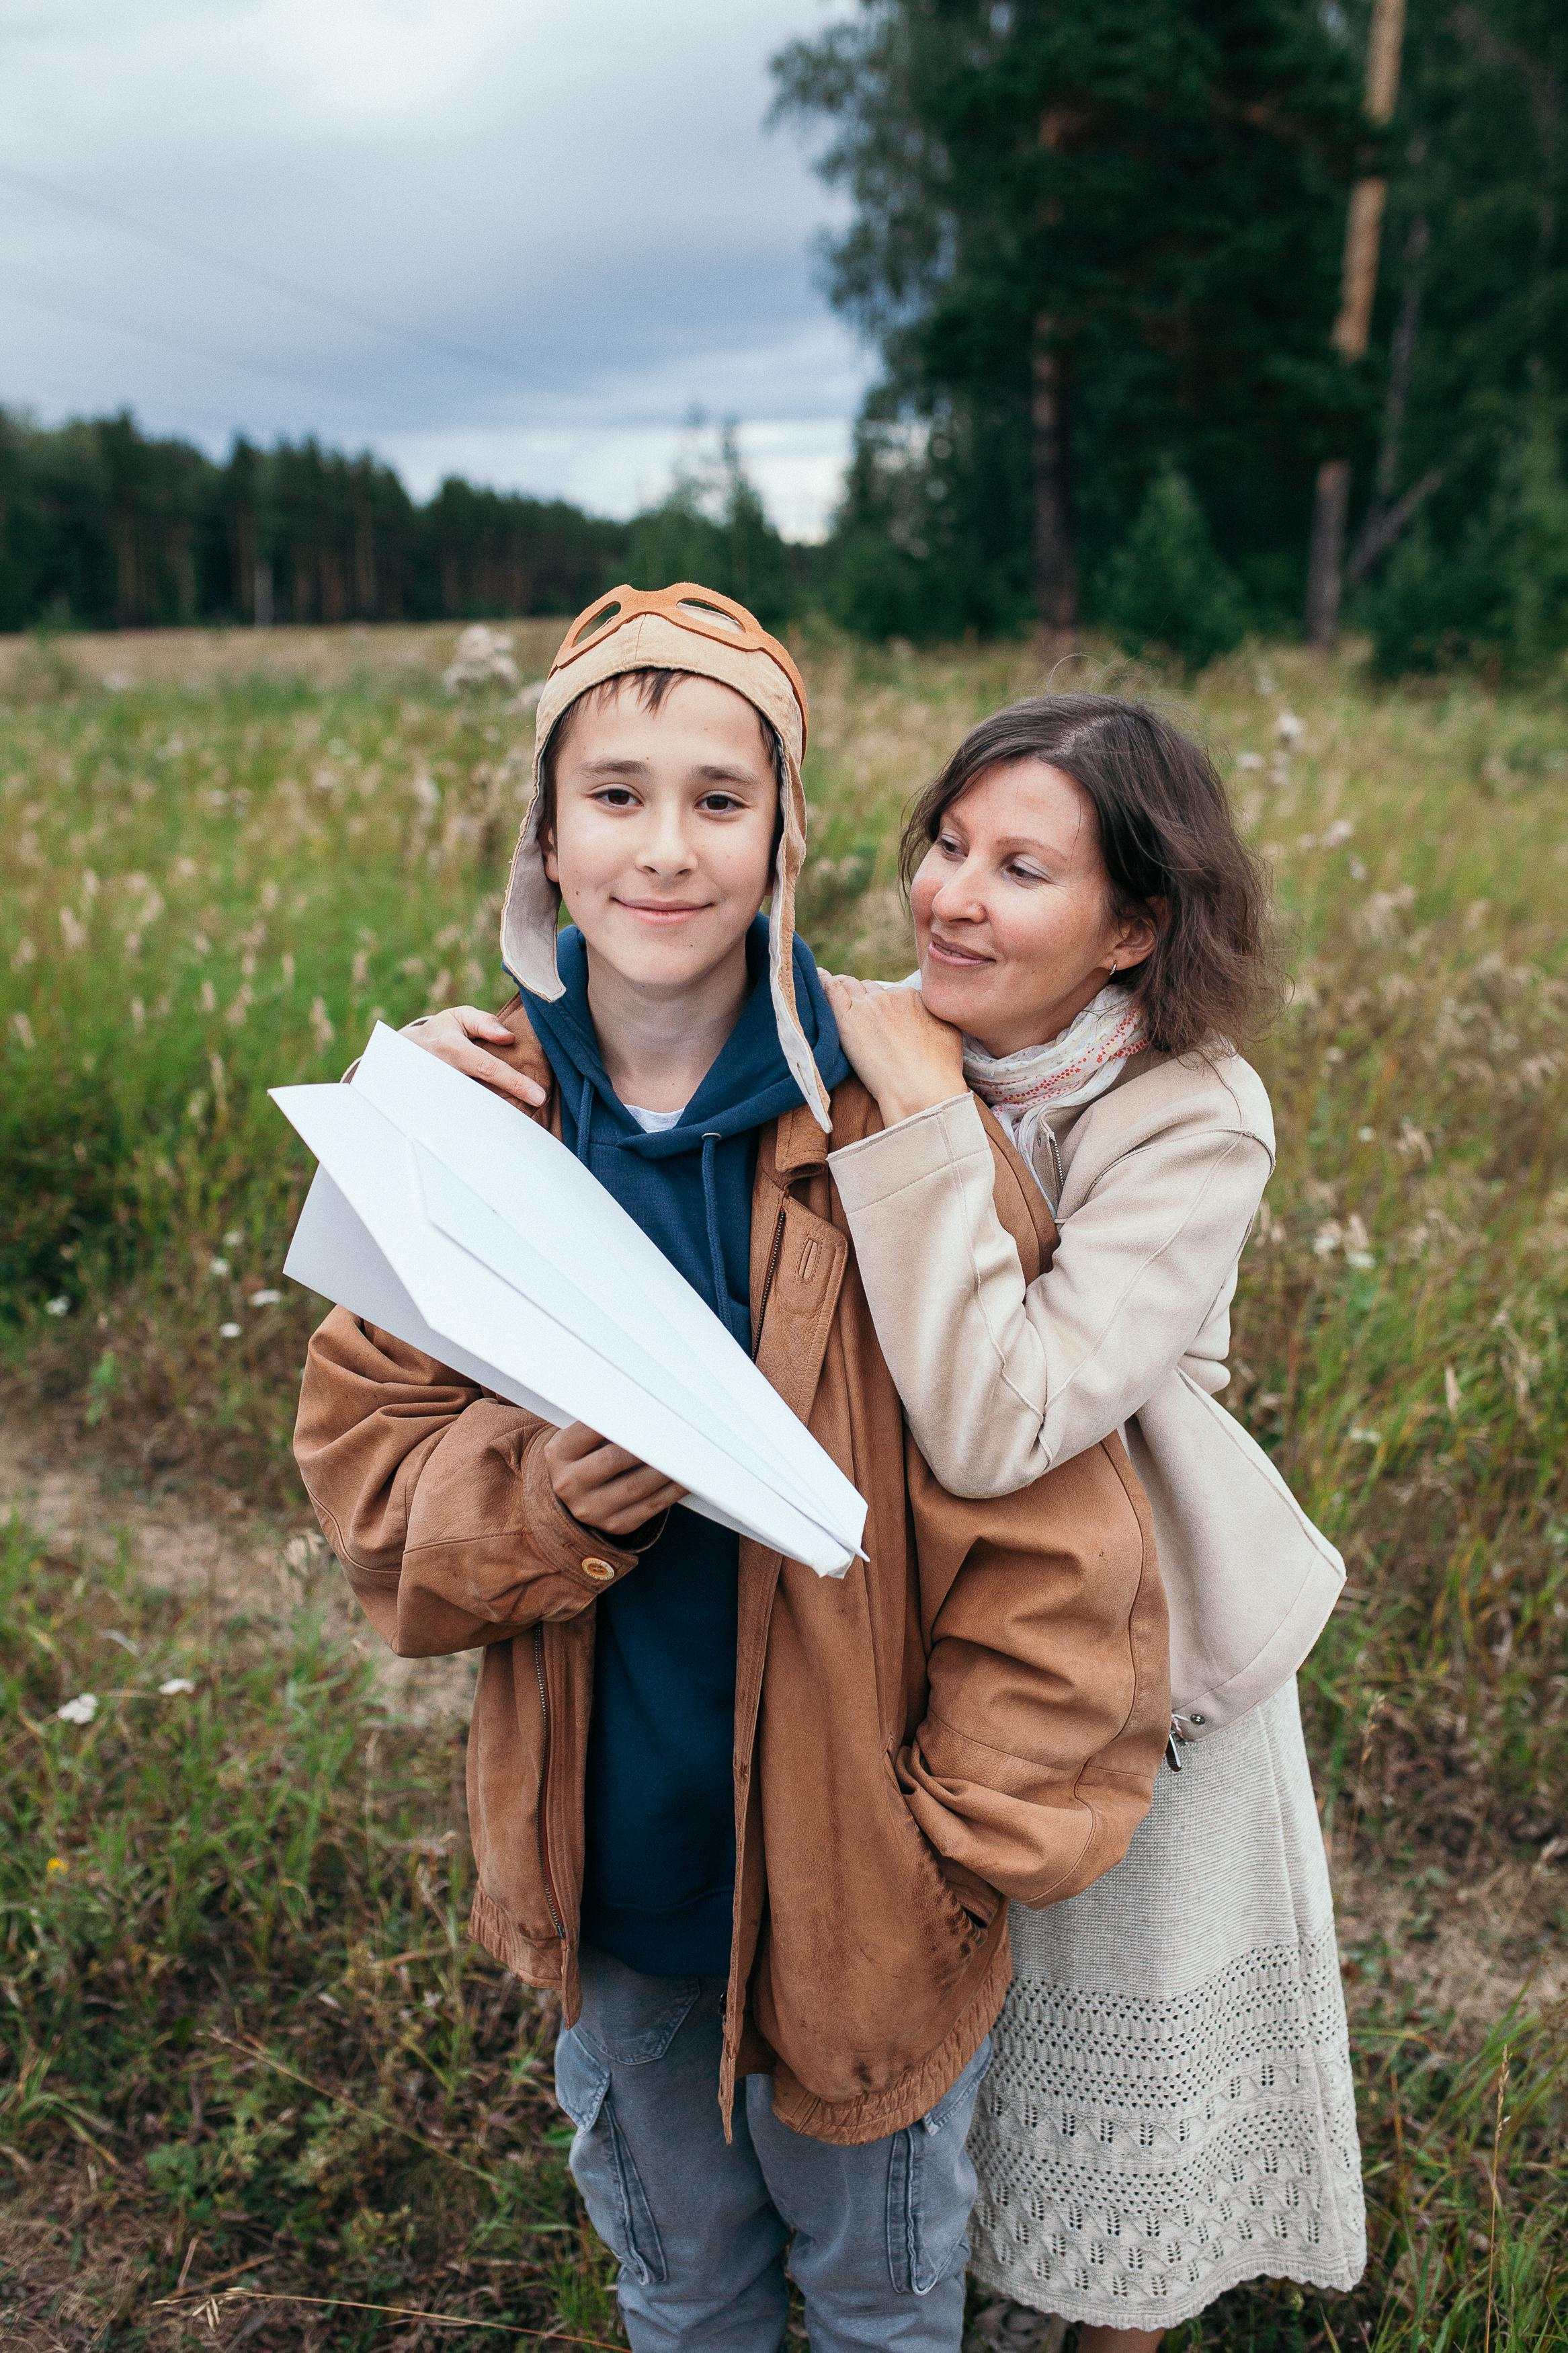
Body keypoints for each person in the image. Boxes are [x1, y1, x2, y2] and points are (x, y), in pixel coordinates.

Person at [294, 592, 1169, 2353]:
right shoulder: (464, 1133)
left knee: (878, 2293)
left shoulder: (894, 1132)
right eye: (613, 795)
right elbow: (368, 1491)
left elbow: (1054, 1541)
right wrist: (542, 1499)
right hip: (615, 1875)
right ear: (544, 833)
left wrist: (958, 1850)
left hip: (867, 1897)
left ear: (785, 838)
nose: (664, 848)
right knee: (683, 2288)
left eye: (718, 798)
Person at [817, 694, 1368, 2347]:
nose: (952, 894)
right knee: (958, 2050)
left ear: (1134, 926)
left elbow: (1008, 1416)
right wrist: (445, 1049)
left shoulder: (1193, 1114)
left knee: (1129, 2071)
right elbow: (637, 1002)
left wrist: (922, 1112)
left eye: (1022, 867)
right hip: (931, 1632)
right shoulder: (878, 1031)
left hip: (1137, 1653)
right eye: (949, 844)